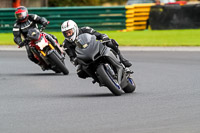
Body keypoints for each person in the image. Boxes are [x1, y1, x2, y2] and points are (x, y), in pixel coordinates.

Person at [61, 20, 132, 78]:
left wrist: (103, 37)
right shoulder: (66, 44)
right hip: (85, 58)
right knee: (80, 72)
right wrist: (75, 60)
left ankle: (122, 60)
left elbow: (98, 34)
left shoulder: (85, 29)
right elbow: (72, 57)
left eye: (70, 32)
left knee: (110, 42)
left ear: (75, 28)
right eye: (66, 33)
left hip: (95, 48)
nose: (68, 35)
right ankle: (97, 77)